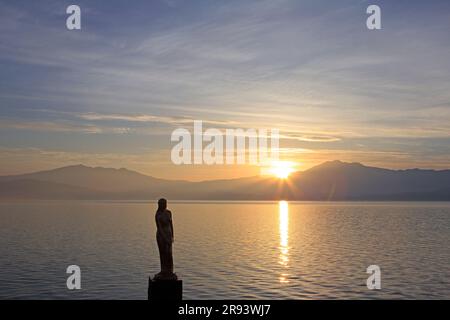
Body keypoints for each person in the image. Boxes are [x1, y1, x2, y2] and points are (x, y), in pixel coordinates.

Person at [154, 198, 177, 280]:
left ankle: (170, 271)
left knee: (169, 254)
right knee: (163, 254)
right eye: (162, 204)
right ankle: (163, 270)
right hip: (161, 236)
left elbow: (171, 224)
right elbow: (159, 228)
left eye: (165, 203)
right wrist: (165, 238)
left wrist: (172, 236)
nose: (164, 205)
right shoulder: (158, 215)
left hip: (168, 234)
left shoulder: (169, 213)